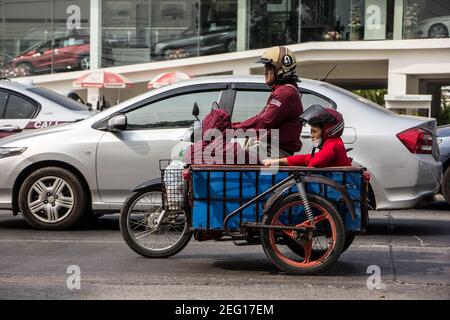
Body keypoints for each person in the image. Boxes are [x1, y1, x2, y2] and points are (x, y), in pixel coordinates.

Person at [232, 46, 303, 158]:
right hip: (271, 148)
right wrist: (231, 126)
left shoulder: (284, 94)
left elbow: (263, 123)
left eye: (269, 69)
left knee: (232, 156)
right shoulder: (283, 90)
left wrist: (229, 131)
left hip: (275, 151)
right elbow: (258, 118)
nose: (265, 73)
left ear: (281, 70)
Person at [263, 104, 352, 167]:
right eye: (311, 131)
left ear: (327, 131)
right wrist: (277, 161)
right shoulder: (333, 143)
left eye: (315, 131)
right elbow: (306, 158)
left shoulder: (333, 144)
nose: (312, 135)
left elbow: (316, 162)